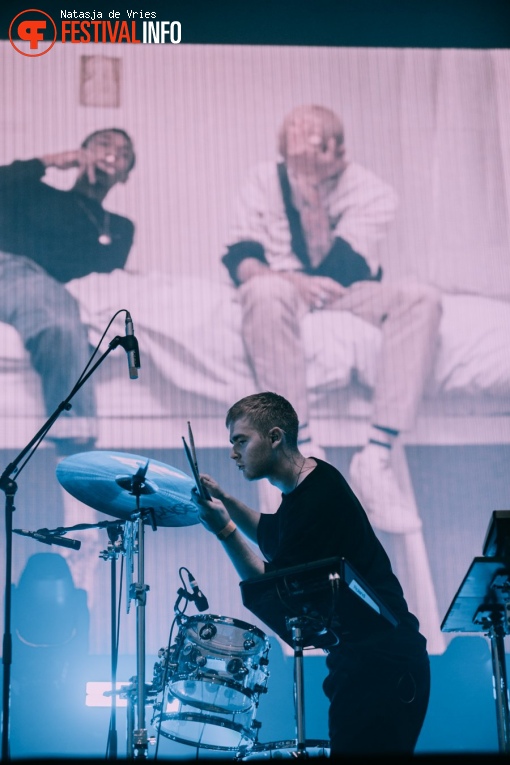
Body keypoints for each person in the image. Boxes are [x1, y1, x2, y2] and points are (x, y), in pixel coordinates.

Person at [222, 105, 442, 533]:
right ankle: (297, 446)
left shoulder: (372, 190)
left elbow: (339, 269)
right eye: (296, 133)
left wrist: (312, 190)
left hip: (347, 290)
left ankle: (377, 456)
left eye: (316, 134)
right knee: (264, 292)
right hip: (280, 284)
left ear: (337, 146)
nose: (304, 139)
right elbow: (242, 261)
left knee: (422, 298)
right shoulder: (261, 179)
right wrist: (288, 279)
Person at [194, 391, 430, 756]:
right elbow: (269, 533)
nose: (233, 453)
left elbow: (272, 585)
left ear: (275, 437)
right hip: (373, 660)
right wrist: (224, 498)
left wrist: (224, 531)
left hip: (383, 663)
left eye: (241, 441)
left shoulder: (317, 499)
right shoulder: (310, 482)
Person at [0, 128, 136, 454]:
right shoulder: (35, 192)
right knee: (58, 319)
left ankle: (76, 445)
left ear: (126, 174)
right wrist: (47, 162)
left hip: (50, 289)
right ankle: (78, 442)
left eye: (123, 153)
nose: (111, 154)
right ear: (81, 152)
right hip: (9, 269)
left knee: (62, 315)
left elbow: (94, 276)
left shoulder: (119, 227)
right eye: (103, 144)